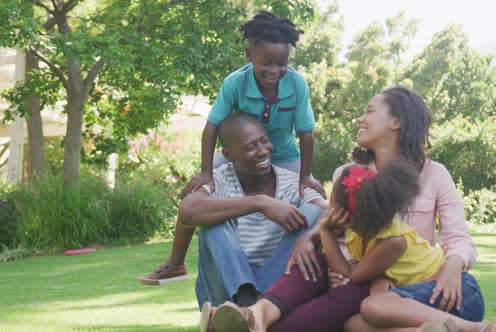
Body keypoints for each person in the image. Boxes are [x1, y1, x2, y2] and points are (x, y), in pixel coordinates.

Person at [139, 11, 324, 285]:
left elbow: (306, 133)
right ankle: (176, 263)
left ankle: (313, 268)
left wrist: (306, 175)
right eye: (267, 63)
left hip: (284, 154)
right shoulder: (235, 82)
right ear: (249, 55)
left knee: (317, 199)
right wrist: (205, 172)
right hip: (242, 152)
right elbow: (212, 127)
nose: (274, 70)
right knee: (194, 193)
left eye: (282, 63)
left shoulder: (296, 84)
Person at [329, 86, 496, 331]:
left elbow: (458, 238)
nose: (360, 118)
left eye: (369, 111)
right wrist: (375, 273)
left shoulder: (435, 173)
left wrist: (453, 267)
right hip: (389, 297)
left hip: (440, 289)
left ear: (396, 122)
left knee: (371, 312)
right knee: (354, 326)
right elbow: (343, 240)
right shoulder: (348, 176)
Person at [205, 160, 425, 332]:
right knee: (315, 261)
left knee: (353, 289)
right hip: (351, 278)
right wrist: (316, 237)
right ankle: (258, 312)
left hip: (384, 292)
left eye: (333, 207)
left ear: (351, 219)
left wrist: (327, 231)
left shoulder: (390, 236)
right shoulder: (364, 202)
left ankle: (248, 322)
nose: (328, 211)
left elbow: (351, 276)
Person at [150, 114, 327, 308]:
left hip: (276, 289)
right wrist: (261, 203)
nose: (262, 151)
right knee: (212, 217)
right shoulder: (219, 180)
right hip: (223, 295)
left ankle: (253, 307)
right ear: (228, 155)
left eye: (264, 141)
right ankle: (244, 297)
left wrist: (309, 236)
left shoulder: (293, 184)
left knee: (314, 211)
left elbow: (329, 210)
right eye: (250, 147)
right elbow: (188, 210)